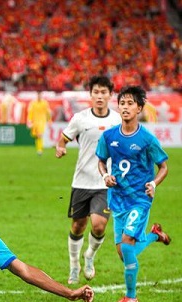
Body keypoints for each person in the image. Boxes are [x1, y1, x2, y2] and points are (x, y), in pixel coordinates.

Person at [96, 86, 170, 302]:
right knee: (123, 252)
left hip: (140, 198)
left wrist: (153, 183)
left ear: (139, 108)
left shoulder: (147, 139)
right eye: (122, 103)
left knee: (128, 246)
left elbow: (163, 167)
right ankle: (155, 235)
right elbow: (101, 161)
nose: (125, 107)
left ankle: (131, 296)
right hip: (118, 199)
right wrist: (105, 175)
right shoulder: (109, 136)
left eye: (130, 103)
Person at [55, 76, 122, 284]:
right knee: (78, 226)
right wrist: (61, 147)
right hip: (81, 182)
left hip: (106, 182)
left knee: (99, 225)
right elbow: (63, 138)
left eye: (104, 92)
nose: (100, 96)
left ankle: (90, 256)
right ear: (90, 95)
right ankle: (74, 265)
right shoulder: (80, 118)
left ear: (110, 95)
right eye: (96, 92)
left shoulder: (117, 120)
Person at [27, 91, 52, 156]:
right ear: (37, 95)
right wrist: (29, 121)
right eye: (38, 95)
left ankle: (40, 150)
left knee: (39, 135)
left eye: (40, 95)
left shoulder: (45, 103)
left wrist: (49, 121)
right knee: (36, 136)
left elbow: (48, 113)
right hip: (35, 121)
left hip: (42, 121)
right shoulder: (33, 103)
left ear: (41, 95)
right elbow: (30, 112)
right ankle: (39, 148)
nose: (39, 96)